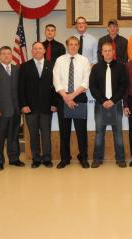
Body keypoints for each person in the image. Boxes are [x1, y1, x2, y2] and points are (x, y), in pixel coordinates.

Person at [53, 36, 91, 169]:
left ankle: (83, 157)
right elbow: (56, 80)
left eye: (76, 44)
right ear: (67, 46)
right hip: (62, 97)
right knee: (64, 131)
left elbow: (86, 82)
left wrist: (72, 96)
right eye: (71, 44)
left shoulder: (84, 60)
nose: (73, 46)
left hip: (79, 97)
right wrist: (66, 97)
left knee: (81, 131)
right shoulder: (59, 60)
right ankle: (65, 158)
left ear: (79, 46)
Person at [89, 42, 128, 168]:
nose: (107, 53)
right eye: (105, 51)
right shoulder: (95, 68)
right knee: (99, 133)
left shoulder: (121, 67)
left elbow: (124, 85)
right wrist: (103, 101)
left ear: (113, 52)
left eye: (109, 50)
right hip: (100, 105)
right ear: (101, 52)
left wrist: (113, 100)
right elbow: (93, 87)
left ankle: (121, 159)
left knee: (118, 133)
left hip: (116, 104)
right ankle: (97, 158)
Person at [19, 42, 56, 169]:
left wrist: (54, 103)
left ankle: (46, 158)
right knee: (33, 134)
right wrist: (23, 105)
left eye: (40, 48)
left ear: (44, 50)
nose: (37, 50)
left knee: (46, 134)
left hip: (47, 106)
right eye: (35, 48)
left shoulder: (51, 65)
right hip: (30, 107)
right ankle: (36, 158)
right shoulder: (24, 66)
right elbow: (21, 88)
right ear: (32, 51)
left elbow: (55, 87)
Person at [0, 46, 24, 171]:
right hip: (0, 111)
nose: (7, 56)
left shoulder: (17, 69)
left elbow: (20, 89)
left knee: (13, 136)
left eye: (9, 53)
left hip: (15, 110)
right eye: (4, 54)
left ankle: (14, 159)